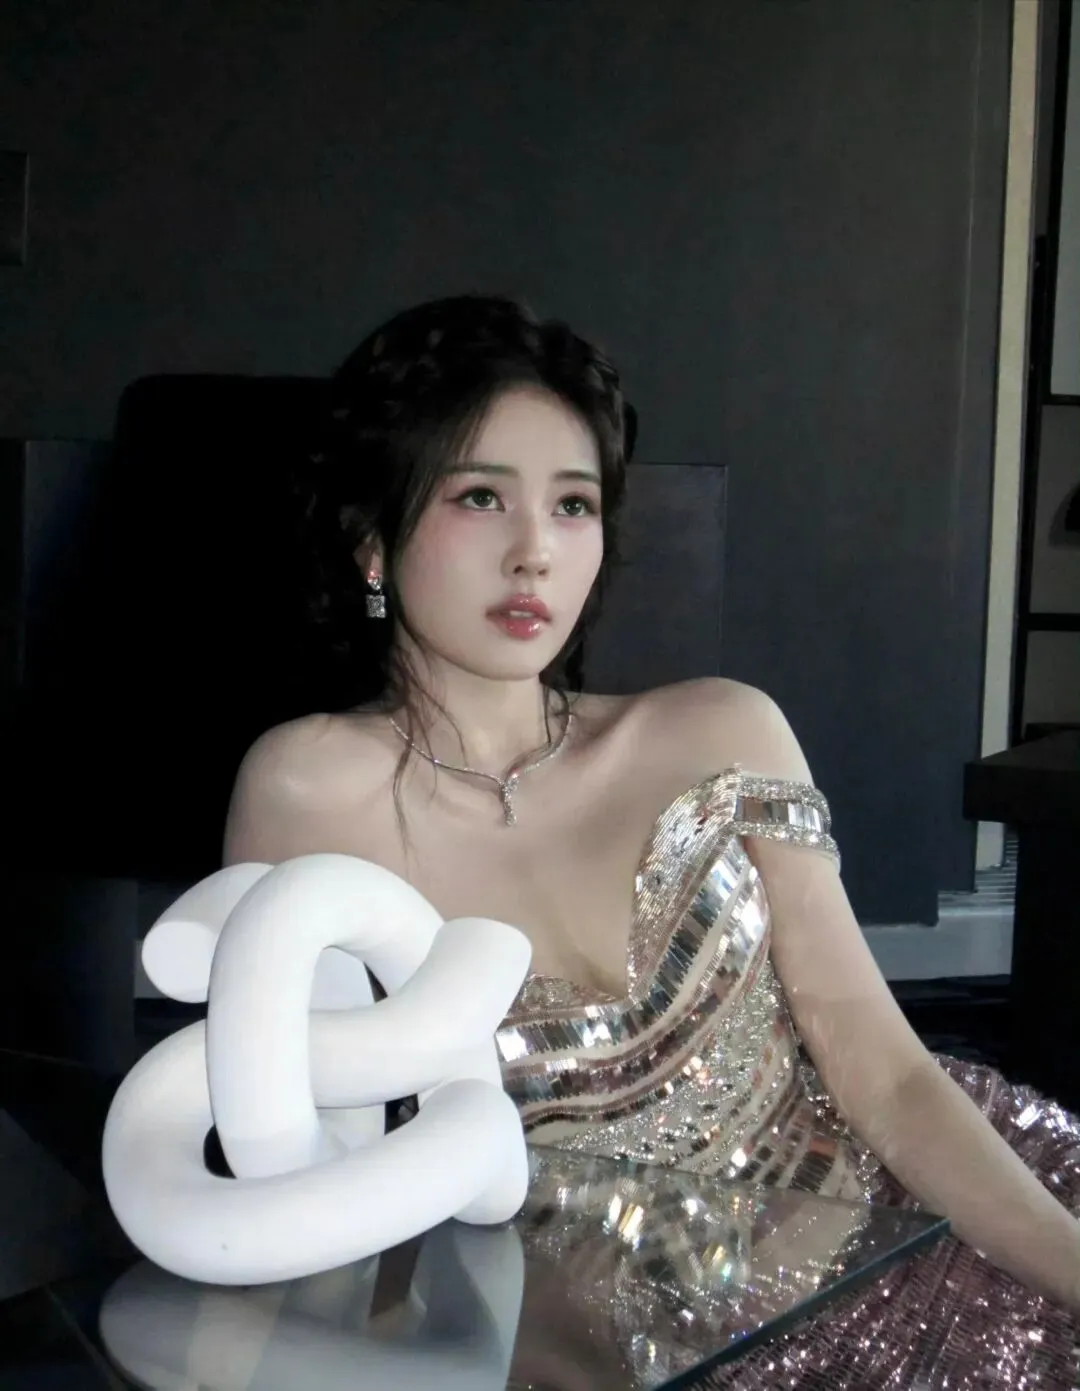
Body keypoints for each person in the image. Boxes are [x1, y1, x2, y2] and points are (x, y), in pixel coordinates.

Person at [223, 293, 1080, 1387]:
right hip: (629, 1348)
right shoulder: (306, 789)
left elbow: (889, 1073)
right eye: (481, 496)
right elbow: (311, 1172)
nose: (535, 552)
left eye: (573, 504)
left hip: (937, 1224)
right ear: (372, 539)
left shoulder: (720, 729)